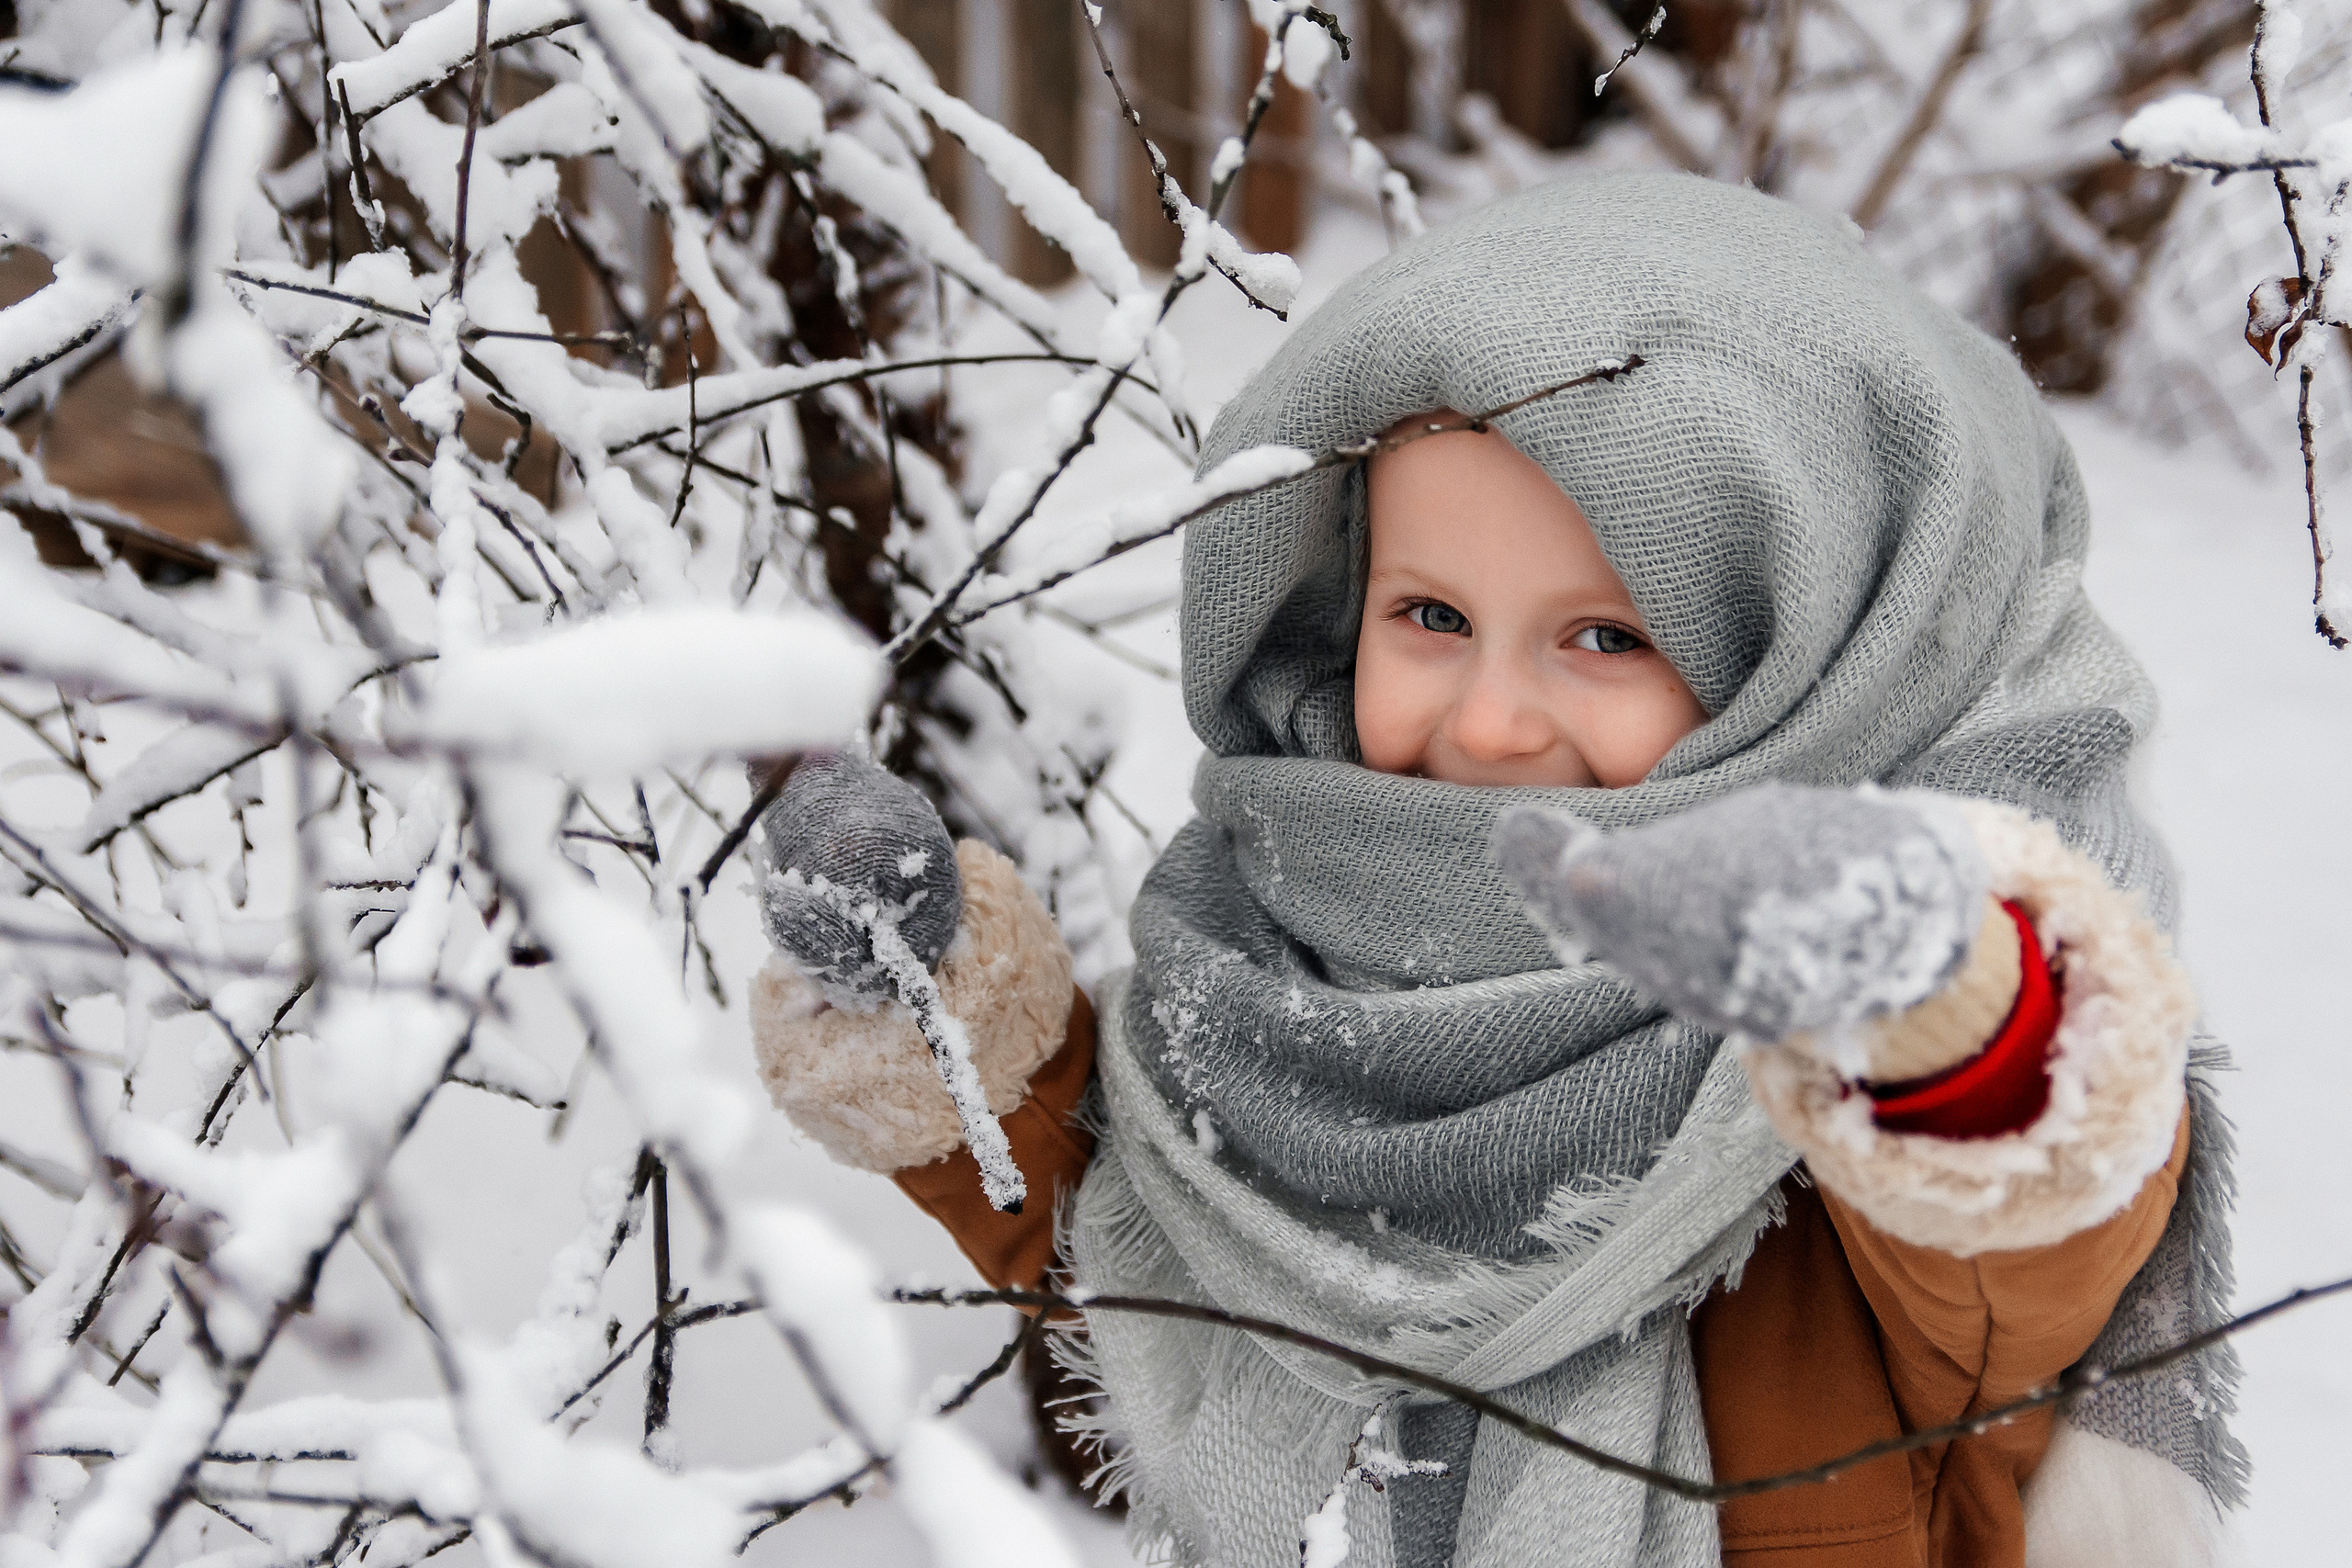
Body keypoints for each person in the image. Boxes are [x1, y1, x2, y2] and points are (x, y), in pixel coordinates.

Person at [744, 173, 2243, 1568]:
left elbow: (2032, 1246)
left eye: (1609, 638)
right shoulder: (1283, 940)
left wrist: (1930, 991)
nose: (1490, 721)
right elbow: (1138, 1253)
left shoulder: (1857, 1130)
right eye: (1431, 616)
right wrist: (938, 1015)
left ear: (1817, 670)